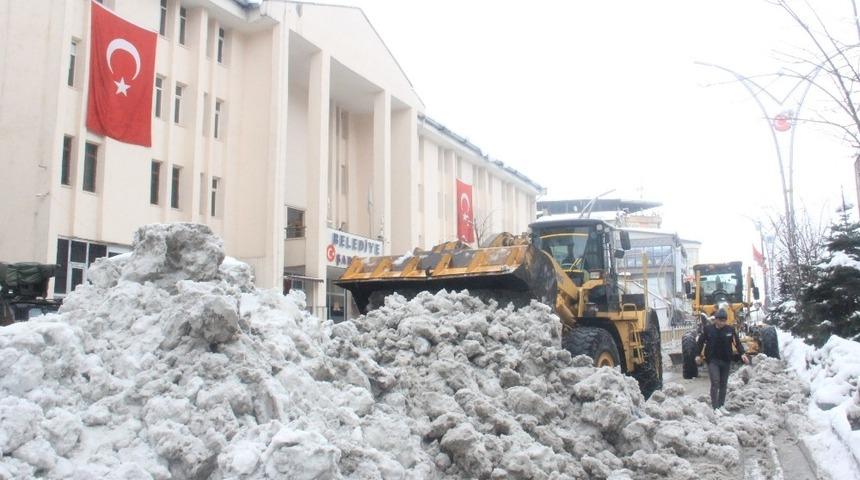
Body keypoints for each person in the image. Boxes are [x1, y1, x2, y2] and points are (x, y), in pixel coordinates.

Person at [695, 308, 749, 409]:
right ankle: (715, 408)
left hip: (726, 360)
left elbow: (737, 343)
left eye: (724, 321)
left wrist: (742, 354)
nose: (722, 323)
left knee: (723, 384)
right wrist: (697, 354)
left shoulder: (730, 330)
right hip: (712, 360)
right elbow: (700, 342)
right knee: (715, 382)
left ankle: (721, 405)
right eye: (720, 320)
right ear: (715, 319)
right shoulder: (708, 329)